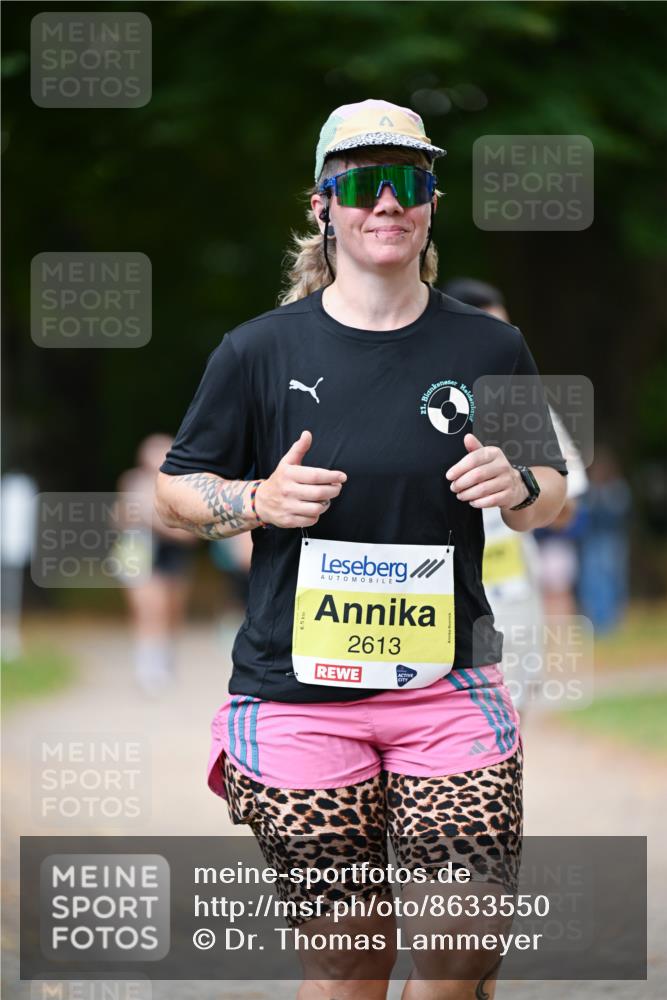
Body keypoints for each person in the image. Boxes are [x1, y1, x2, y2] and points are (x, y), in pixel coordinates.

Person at [155, 99, 568, 1000]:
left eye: (409, 182)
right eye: (363, 183)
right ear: (323, 205)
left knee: (463, 945)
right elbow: (176, 488)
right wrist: (257, 499)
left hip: (447, 688)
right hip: (298, 698)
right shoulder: (257, 351)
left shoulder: (490, 346)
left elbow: (550, 492)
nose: (387, 203)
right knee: (347, 962)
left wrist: (520, 487)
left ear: (430, 203)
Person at [442, 278, 588, 712]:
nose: (502, 345)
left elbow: (569, 504)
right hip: (424, 602)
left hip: (507, 598)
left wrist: (520, 491)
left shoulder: (525, 403)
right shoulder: (421, 397)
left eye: (506, 331)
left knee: (504, 721)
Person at [115, 434, 198, 696]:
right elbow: (119, 518)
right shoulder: (132, 482)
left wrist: (155, 522)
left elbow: (189, 533)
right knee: (149, 608)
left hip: (173, 554)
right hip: (138, 552)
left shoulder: (186, 485)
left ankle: (165, 659)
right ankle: (147, 667)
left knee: (172, 611)